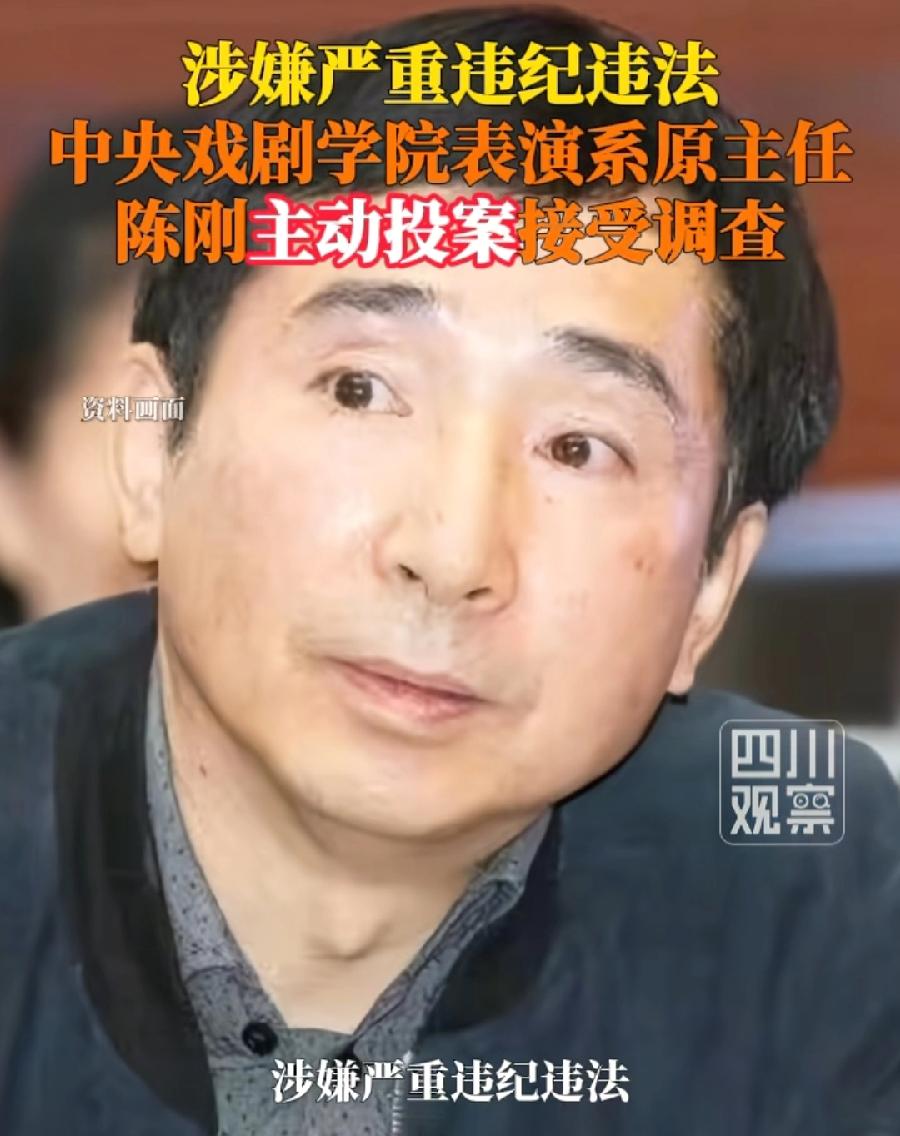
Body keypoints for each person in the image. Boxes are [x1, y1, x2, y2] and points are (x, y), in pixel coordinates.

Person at [1, 7, 898, 1135]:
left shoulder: (816, 901)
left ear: (711, 589)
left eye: (579, 447)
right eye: (361, 390)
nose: (452, 553)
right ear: (148, 448)